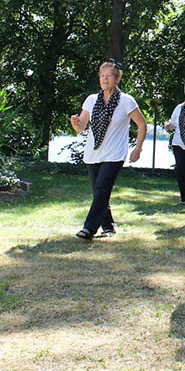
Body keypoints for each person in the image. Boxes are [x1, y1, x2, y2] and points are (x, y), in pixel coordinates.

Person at [70, 59, 147, 240]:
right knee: (99, 192)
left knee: (102, 189)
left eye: (109, 76)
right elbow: (80, 127)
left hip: (114, 154)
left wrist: (138, 149)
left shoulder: (126, 101)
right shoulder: (91, 100)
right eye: (102, 76)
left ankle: (89, 228)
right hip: (93, 154)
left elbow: (142, 125)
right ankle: (109, 226)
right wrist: (75, 123)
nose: (105, 79)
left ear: (117, 78)